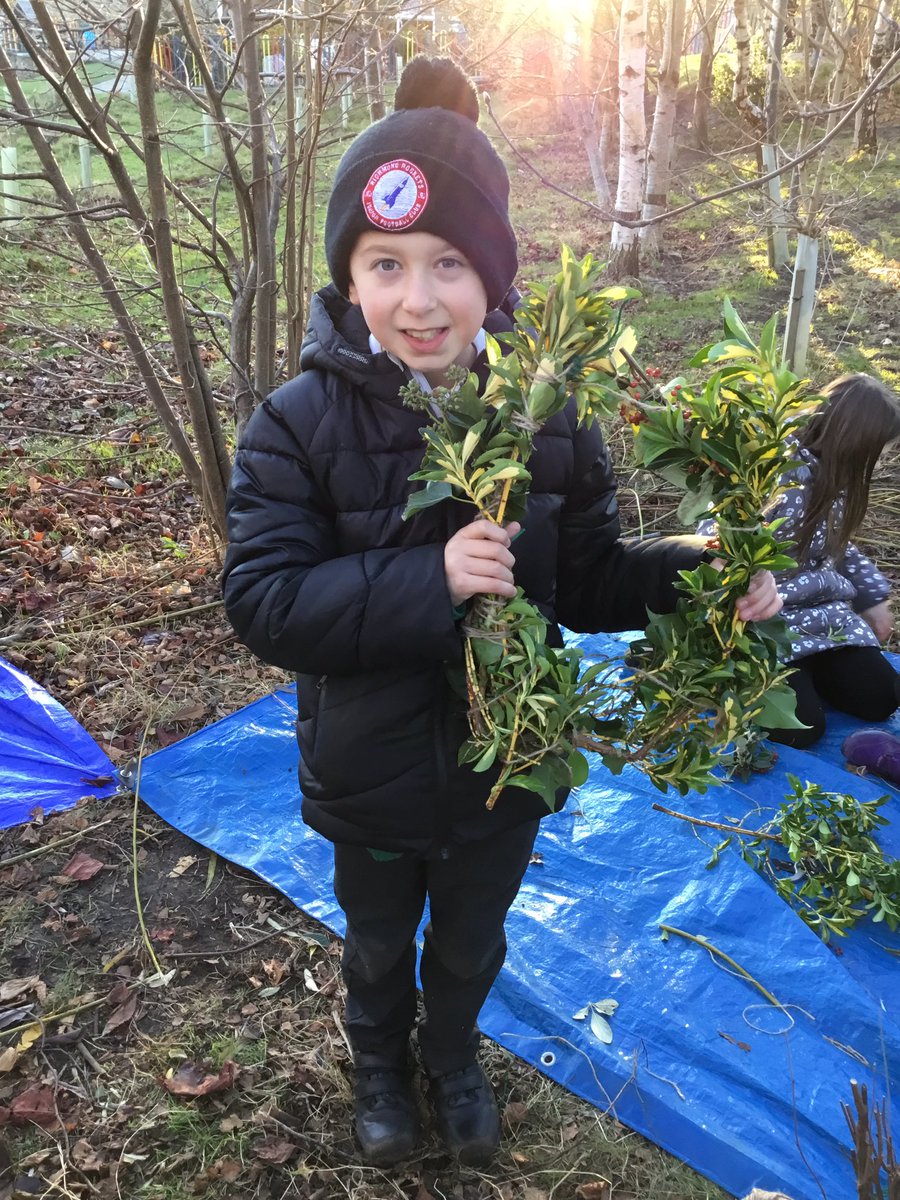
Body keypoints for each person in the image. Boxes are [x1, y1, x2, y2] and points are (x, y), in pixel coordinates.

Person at [222, 55, 782, 1169]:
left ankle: (453, 1055)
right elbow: (265, 601)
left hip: (504, 766)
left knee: (471, 939)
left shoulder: (549, 419)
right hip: (370, 772)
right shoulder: (293, 426)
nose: (417, 299)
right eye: (384, 265)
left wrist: (702, 570)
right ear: (348, 277)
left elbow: (589, 576)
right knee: (379, 940)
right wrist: (429, 580)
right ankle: (380, 1062)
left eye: (449, 265)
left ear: (497, 281)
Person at [758, 373, 900, 748]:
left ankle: (809, 673)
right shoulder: (775, 484)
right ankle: (747, 678)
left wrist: (873, 598)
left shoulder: (835, 482)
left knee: (882, 696)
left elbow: (839, 547)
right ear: (854, 445)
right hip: (768, 626)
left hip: (823, 621)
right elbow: (718, 546)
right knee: (800, 727)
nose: (882, 461)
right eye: (880, 452)